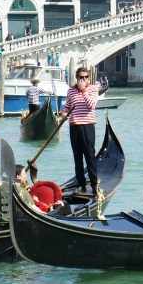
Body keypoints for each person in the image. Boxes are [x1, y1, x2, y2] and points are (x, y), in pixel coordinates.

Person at [59, 67, 100, 195]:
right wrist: (62, 114)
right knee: (77, 157)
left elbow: (91, 105)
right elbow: (67, 107)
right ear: (76, 78)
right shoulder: (71, 91)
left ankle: (94, 185)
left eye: (85, 77)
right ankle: (81, 184)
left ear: (88, 78)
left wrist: (83, 91)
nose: (83, 79)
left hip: (87, 126)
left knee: (90, 156)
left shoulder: (93, 89)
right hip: (74, 127)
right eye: (80, 77)